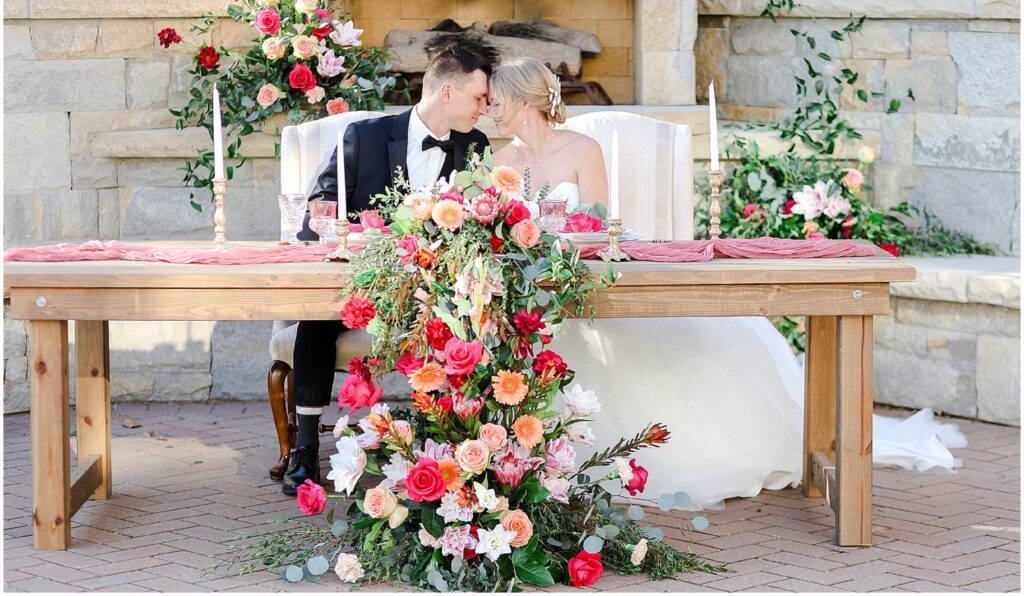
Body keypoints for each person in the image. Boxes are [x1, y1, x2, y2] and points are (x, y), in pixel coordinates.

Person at [487, 57, 964, 508]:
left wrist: (562, 238)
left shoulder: (581, 148)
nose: (490, 109)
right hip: (536, 287)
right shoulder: (501, 159)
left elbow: (597, 222)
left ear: (522, 99)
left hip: (585, 270)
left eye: (496, 100)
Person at [282, 46, 492, 496]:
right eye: (479, 97)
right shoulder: (365, 136)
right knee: (317, 318)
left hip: (435, 291)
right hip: (363, 283)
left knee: (463, 321)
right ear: (448, 90)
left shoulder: (476, 146)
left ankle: (445, 444)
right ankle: (303, 448)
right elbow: (315, 219)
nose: (484, 108)